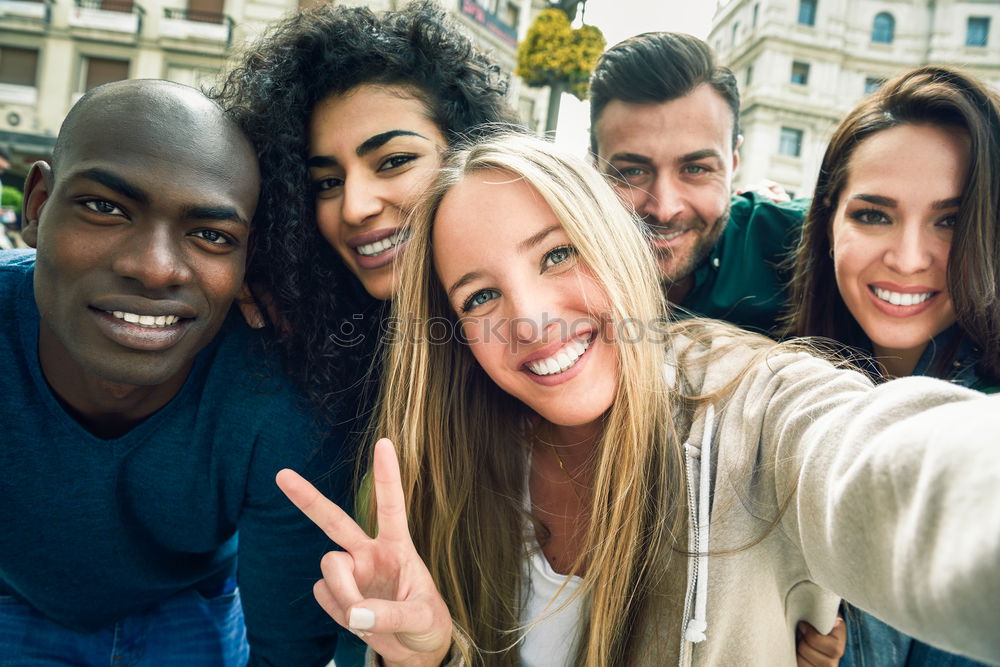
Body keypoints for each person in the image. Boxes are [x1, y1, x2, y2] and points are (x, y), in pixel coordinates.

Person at [277, 133, 1000, 666]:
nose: (529, 318)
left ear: (618, 241)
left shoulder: (753, 404)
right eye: (482, 295)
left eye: (558, 253)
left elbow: (881, 464)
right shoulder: (442, 477)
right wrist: (428, 657)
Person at [0, 80, 358, 666]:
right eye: (106, 208)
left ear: (249, 261)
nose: (154, 268)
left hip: (194, 604)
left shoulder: (278, 397)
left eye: (211, 235)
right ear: (38, 205)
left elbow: (285, 651)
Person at [783, 65, 1000, 666]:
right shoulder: (778, 376)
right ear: (828, 219)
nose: (907, 258)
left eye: (950, 220)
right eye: (873, 214)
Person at [212, 0, 518, 415]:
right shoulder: (280, 343)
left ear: (467, 149)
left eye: (394, 161)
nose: (354, 208)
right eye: (327, 183)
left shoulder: (545, 322)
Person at [589, 31, 807, 334]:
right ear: (593, 167)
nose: (665, 209)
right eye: (632, 172)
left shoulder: (804, 243)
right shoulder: (551, 262)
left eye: (695, 169)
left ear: (733, 163)